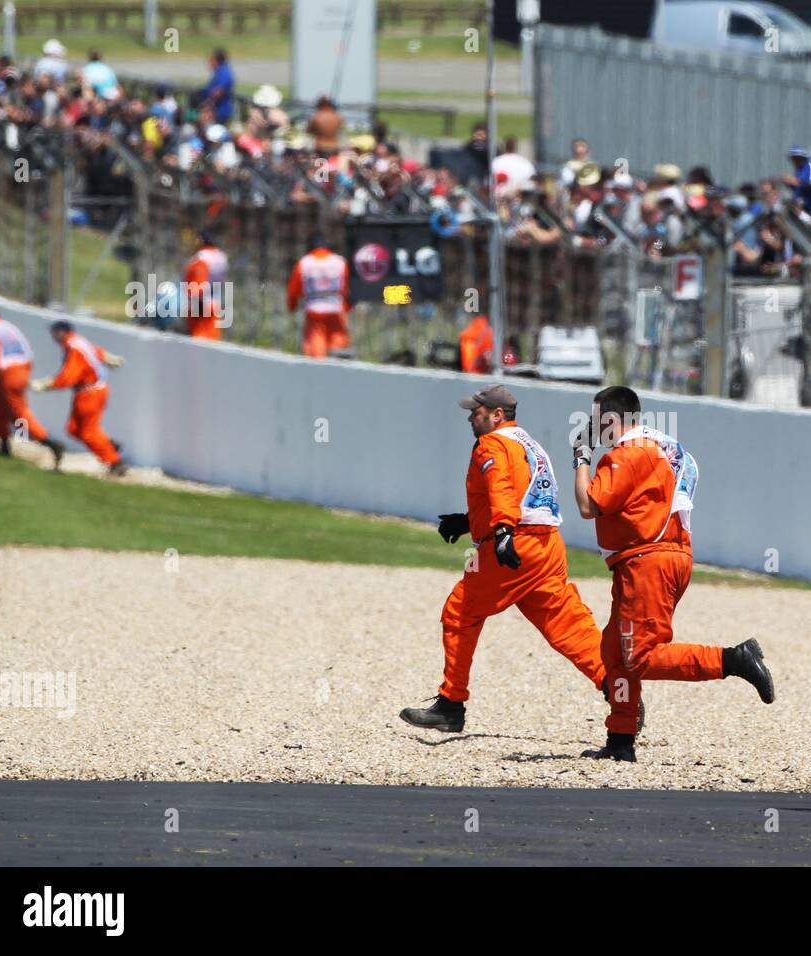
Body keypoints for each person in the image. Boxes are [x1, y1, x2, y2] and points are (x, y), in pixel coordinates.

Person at [570, 387, 775, 762]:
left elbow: (588, 505)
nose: (592, 426)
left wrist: (581, 457)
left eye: (596, 419)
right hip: (662, 555)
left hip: (648, 560)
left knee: (641, 656)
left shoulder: (628, 453)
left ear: (612, 420)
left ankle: (734, 659)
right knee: (614, 651)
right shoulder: (660, 446)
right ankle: (620, 740)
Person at [401, 384, 607, 733]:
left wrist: (502, 532)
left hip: (516, 546)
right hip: (547, 547)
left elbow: (502, 489)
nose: (470, 416)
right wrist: (470, 521)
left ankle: (451, 704)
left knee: (460, 610)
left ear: (497, 415)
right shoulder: (528, 443)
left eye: (476, 411)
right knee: (566, 625)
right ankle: (619, 690)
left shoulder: (492, 443)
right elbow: (524, 492)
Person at [30, 321, 128, 476]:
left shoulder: (73, 347)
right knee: (74, 429)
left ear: (62, 332)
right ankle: (108, 445)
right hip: (89, 391)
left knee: (88, 431)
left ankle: (115, 462)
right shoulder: (77, 341)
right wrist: (107, 357)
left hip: (90, 393)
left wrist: (45, 384)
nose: (53, 337)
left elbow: (68, 376)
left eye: (54, 332)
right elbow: (95, 351)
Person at [0, 307, 64, 466]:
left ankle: (51, 444)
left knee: (18, 414)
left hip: (8, 374)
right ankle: (4, 445)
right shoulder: (8, 327)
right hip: (22, 370)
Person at [287, 234, 350, 359]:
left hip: (314, 308)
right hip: (335, 307)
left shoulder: (304, 263)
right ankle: (339, 363)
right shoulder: (340, 262)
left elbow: (294, 288)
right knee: (338, 338)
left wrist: (292, 305)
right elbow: (346, 286)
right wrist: (346, 306)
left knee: (315, 340)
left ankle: (317, 365)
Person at [183, 230, 229, 340]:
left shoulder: (201, 258)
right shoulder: (221, 257)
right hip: (215, 304)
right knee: (212, 339)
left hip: (200, 307)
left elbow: (198, 283)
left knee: (198, 340)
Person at [781, 145, 811, 215]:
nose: (794, 161)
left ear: (803, 157)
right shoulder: (799, 170)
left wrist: (794, 181)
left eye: (797, 158)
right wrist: (789, 184)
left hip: (810, 207)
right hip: (799, 205)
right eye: (793, 158)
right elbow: (798, 187)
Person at [201, 48, 235, 123]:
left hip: (220, 113)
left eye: (211, 60)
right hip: (215, 112)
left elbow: (218, 92)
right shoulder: (219, 71)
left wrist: (207, 103)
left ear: (217, 61)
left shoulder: (225, 73)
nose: (209, 63)